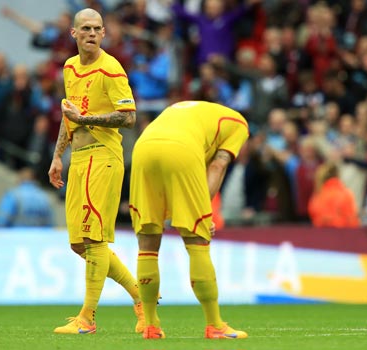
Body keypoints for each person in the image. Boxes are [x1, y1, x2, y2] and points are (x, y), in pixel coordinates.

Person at [47, 8, 144, 335]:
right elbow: (68, 112)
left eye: (97, 28)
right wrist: (58, 155)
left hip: (103, 157)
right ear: (73, 34)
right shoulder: (70, 67)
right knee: (79, 244)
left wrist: (86, 120)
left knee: (94, 238)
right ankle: (140, 296)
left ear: (104, 34)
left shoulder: (111, 68)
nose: (91, 33)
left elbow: (129, 117)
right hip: (79, 157)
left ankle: (87, 318)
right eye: (85, 28)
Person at [129, 100, 249, 340]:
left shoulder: (193, 111)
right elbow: (218, 164)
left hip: (143, 147)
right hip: (181, 148)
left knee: (147, 243)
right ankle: (215, 325)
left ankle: (151, 325)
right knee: (197, 242)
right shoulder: (239, 126)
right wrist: (203, 212)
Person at [307, 162, 360, 228]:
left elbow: (314, 216)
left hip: (323, 235)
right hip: (344, 234)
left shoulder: (318, 195)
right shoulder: (346, 193)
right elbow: (352, 220)